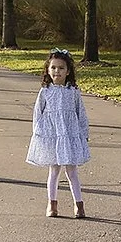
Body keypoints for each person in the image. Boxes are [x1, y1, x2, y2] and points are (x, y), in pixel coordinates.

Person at [27, 47, 91, 218]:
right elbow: (37, 113)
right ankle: (52, 204)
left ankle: (79, 205)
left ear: (68, 71)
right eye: (53, 67)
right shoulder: (45, 91)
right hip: (52, 136)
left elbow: (81, 113)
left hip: (69, 136)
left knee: (72, 171)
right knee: (54, 171)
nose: (57, 71)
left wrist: (84, 133)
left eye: (61, 68)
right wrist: (37, 134)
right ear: (48, 70)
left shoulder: (73, 92)